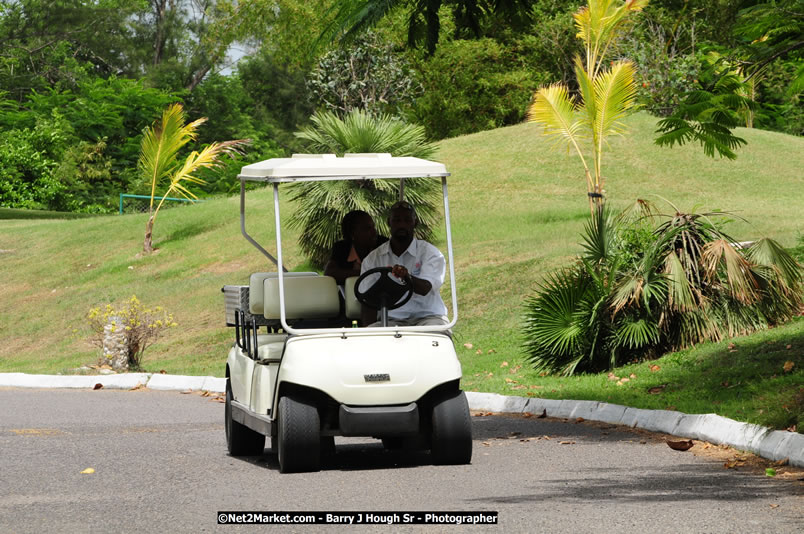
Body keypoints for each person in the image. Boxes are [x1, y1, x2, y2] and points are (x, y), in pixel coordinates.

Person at [360, 201, 448, 327]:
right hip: (390, 320)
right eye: (397, 220)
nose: (402, 225)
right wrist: (369, 330)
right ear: (389, 222)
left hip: (427, 318)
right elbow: (367, 301)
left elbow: (425, 288)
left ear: (415, 223)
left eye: (407, 220)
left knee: (436, 333)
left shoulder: (430, 253)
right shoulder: (372, 259)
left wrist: (407, 277)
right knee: (372, 334)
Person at [324, 210, 387, 285]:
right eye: (367, 229)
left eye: (373, 227)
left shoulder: (383, 244)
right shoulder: (342, 248)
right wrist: (367, 272)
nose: (374, 232)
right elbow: (329, 273)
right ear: (352, 233)